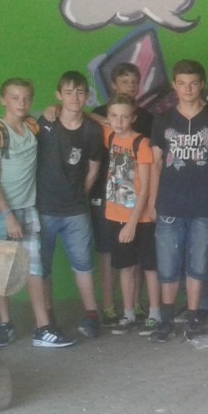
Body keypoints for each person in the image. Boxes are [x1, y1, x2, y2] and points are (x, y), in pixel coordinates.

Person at [148, 60, 208, 342]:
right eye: (182, 84)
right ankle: (166, 320)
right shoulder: (162, 120)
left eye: (193, 83)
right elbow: (156, 163)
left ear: (202, 84)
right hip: (169, 203)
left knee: (198, 264)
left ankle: (194, 316)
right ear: (175, 85)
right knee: (168, 265)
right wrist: (152, 202)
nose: (188, 89)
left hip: (204, 203)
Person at [37, 71, 104, 341]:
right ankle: (48, 317)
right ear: (58, 95)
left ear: (87, 96)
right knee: (42, 267)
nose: (74, 98)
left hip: (76, 211)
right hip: (44, 209)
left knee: (83, 265)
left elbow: (94, 167)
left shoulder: (92, 130)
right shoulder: (45, 122)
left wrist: (79, 194)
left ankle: (92, 316)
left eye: (80, 92)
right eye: (68, 92)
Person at [90, 63, 150, 328]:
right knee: (108, 253)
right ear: (114, 85)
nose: (130, 87)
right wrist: (102, 119)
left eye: (134, 82)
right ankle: (109, 307)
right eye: (125, 82)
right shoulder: (101, 116)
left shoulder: (146, 119)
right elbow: (78, 113)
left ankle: (133, 306)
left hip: (136, 201)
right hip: (108, 199)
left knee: (135, 258)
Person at [0, 78, 40, 347]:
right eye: (15, 97)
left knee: (35, 269)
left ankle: (43, 326)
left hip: (29, 209)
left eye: (26, 98)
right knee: (1, 272)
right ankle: (5, 324)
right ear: (3, 100)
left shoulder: (32, 127)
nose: (21, 103)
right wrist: (8, 216)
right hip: (3, 212)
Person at [100, 95, 157, 336]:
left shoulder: (142, 143)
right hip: (115, 215)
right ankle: (128, 313)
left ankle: (155, 314)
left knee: (150, 267)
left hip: (140, 220)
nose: (118, 121)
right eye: (113, 116)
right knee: (125, 266)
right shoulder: (110, 136)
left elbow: (144, 187)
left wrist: (132, 223)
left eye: (124, 117)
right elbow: (91, 117)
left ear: (133, 118)